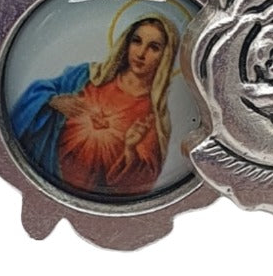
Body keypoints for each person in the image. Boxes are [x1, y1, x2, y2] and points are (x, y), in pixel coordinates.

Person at [9, 16, 178, 197]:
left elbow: (141, 182)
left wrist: (130, 149)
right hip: (45, 177)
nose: (141, 53)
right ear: (126, 43)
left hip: (92, 199)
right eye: (136, 41)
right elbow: (37, 94)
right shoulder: (87, 76)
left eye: (154, 47)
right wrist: (53, 101)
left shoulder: (152, 116)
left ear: (166, 56)